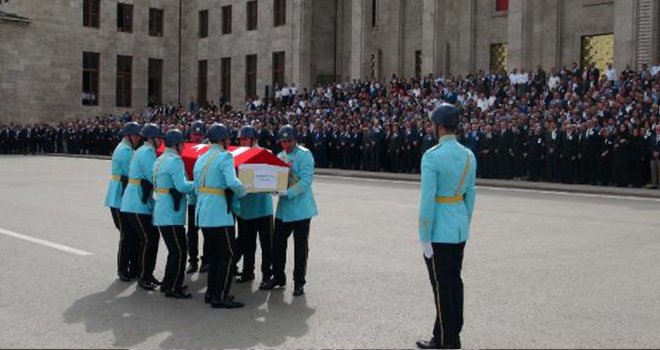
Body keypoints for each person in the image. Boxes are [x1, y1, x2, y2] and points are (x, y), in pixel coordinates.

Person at [416, 103, 477, 350]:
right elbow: (470, 195)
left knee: (441, 286)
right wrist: (464, 221)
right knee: (454, 282)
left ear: (439, 127)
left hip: (439, 230)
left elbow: (427, 200)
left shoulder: (432, 156)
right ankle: (448, 332)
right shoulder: (468, 155)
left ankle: (447, 341)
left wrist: (424, 235)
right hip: (459, 227)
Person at [193, 123, 247, 309]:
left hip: (203, 212)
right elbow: (232, 182)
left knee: (215, 255)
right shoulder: (224, 157)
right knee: (227, 255)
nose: (229, 142)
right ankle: (220, 296)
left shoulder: (202, 157)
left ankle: (211, 293)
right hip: (218, 213)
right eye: (228, 139)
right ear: (222, 140)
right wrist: (244, 191)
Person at [261, 125, 318, 296]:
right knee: (277, 245)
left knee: (300, 248)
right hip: (284, 210)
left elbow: (307, 180)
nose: (285, 144)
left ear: (294, 139)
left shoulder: (304, 154)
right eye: (283, 141)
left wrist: (289, 192)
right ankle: (278, 277)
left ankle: (299, 282)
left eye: (288, 141)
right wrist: (271, 187)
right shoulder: (280, 156)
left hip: (301, 208)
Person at [120, 123, 164, 290]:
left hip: (135, 201)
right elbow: (154, 176)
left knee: (144, 238)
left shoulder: (143, 151)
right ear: (152, 138)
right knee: (150, 238)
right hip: (137, 203)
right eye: (159, 137)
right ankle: (144, 275)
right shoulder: (147, 153)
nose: (161, 141)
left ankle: (143, 272)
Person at [153, 129, 195, 299]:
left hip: (163, 210)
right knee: (179, 250)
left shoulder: (160, 159)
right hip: (171, 212)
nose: (184, 146)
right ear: (177, 145)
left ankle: (168, 283)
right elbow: (182, 187)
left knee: (174, 250)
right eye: (182, 144)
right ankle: (174, 287)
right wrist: (198, 183)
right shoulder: (175, 161)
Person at [234, 126, 274, 288]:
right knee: (247, 243)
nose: (242, 142)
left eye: (245, 139)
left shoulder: (266, 153)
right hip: (245, 207)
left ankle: (266, 275)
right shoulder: (236, 155)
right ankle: (247, 272)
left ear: (253, 139)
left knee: (267, 245)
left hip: (263, 207)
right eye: (241, 139)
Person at [104, 122, 141, 282]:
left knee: (130, 234)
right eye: (136, 135)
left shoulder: (125, 148)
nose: (138, 138)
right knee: (127, 234)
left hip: (120, 193)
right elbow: (131, 172)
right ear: (128, 135)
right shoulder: (125, 151)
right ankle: (122, 268)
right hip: (120, 195)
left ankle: (131, 267)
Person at [185, 120, 209, 274]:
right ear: (190, 135)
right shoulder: (185, 149)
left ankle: (206, 261)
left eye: (200, 134)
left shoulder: (208, 150)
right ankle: (193, 260)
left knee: (207, 232)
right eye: (195, 134)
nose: (197, 137)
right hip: (193, 199)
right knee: (192, 232)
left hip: (206, 198)